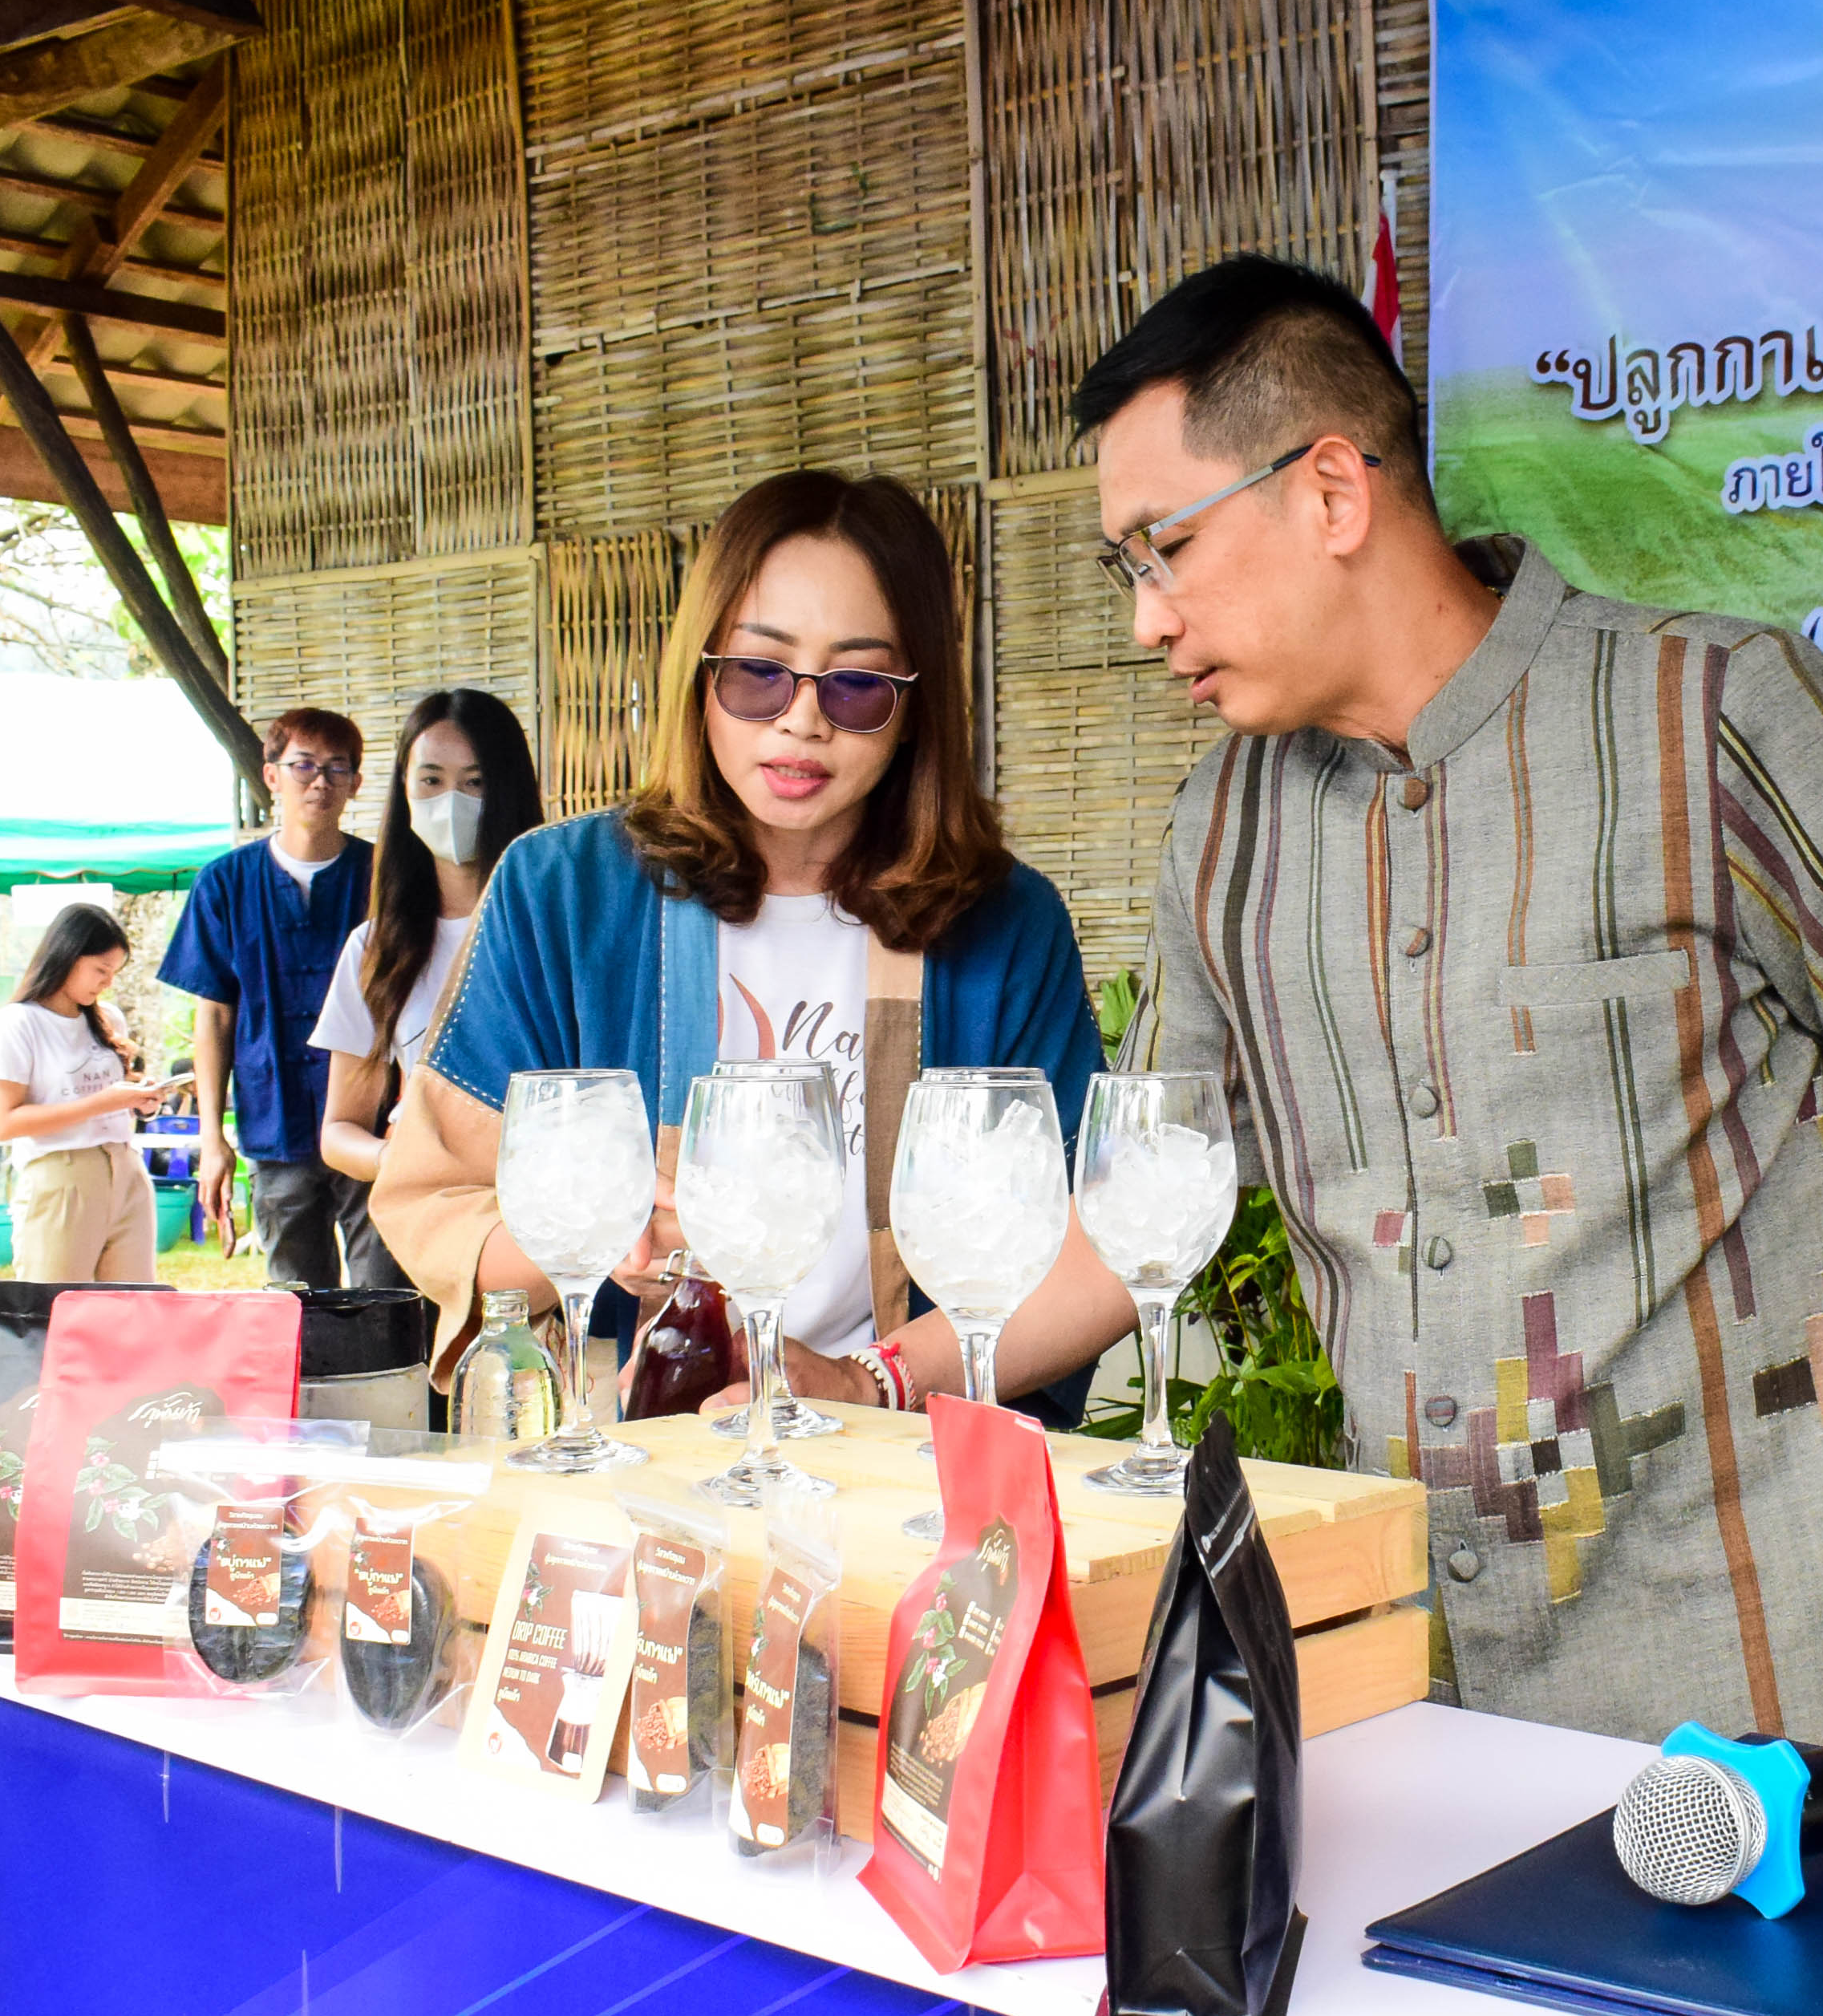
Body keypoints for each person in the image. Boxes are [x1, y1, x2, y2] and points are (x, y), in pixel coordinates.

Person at [1083, 259, 1823, 1746]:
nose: (1147, 621)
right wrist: (881, 1366)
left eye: (1162, 550)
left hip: (1753, 1695)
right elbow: (1148, 1199)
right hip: (1407, 1702)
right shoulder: (1224, 827)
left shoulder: (1710, 714)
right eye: (1126, 571)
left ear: (1332, 492)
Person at [372, 469, 1128, 1422]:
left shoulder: (1004, 924)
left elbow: (1085, 1243)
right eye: (757, 672)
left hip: (899, 1457)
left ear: (915, 706)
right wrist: (596, 1227)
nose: (800, 718)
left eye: (856, 685)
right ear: (700, 669)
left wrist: (866, 1384)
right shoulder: (561, 894)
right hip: (621, 1453)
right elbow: (431, 1203)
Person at [311, 688, 545, 1291]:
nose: (451, 802)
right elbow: (340, 1131)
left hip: (546, 1228)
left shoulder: (556, 928)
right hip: (430, 1239)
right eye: (432, 780)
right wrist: (402, 1161)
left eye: (475, 782)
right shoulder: (375, 949)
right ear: (403, 792)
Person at [159, 709, 375, 1286]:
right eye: (303, 765)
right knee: (295, 1300)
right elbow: (214, 1016)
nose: (320, 781)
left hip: (373, 1124)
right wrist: (212, 1137)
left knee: (389, 1293)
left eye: (337, 768)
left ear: (357, 783)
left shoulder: (385, 876)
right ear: (272, 777)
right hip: (273, 1121)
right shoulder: (224, 883)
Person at [0, 905, 166, 1284]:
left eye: (114, 973)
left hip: (125, 1168)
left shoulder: (107, 1018)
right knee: (57, 1310)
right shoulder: (16, 1024)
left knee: (131, 1310)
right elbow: (4, 1123)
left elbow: (112, 1094)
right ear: (66, 956)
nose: (107, 983)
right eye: (100, 970)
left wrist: (139, 1098)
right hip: (60, 1173)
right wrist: (104, 1102)